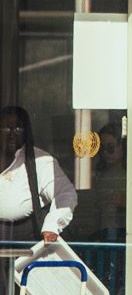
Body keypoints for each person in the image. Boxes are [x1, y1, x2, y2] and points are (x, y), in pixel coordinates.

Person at [0, 105, 76, 247]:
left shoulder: (41, 161)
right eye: (5, 128)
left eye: (18, 129)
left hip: (25, 242)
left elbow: (66, 194)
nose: (12, 134)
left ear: (26, 131)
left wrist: (52, 225)